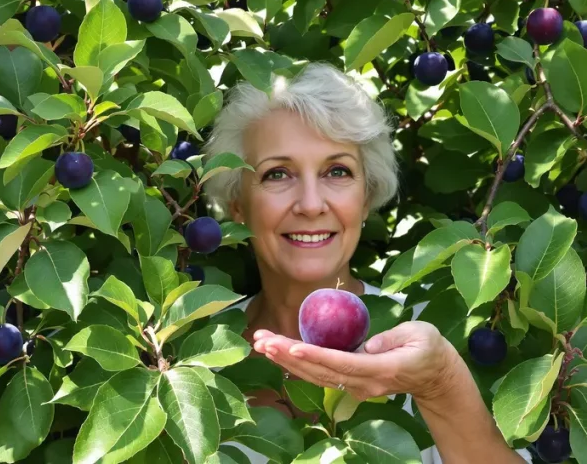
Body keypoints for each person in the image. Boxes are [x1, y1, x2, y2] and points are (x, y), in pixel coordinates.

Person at [201, 63, 529, 463]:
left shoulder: (429, 336)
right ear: (238, 203)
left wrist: (441, 385)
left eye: (337, 171)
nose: (310, 204)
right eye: (277, 174)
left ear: (366, 196)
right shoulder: (193, 356)